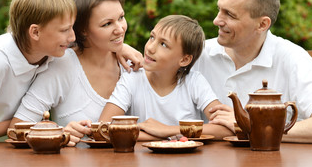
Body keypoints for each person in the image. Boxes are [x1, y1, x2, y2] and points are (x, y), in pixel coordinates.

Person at [193, 0, 312, 143]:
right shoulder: (196, 54)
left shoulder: (293, 58)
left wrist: (252, 126)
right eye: (219, 10)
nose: (216, 20)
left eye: (230, 15)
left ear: (262, 24)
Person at [10, 0, 143, 146]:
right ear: (82, 30)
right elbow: (17, 129)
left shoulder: (132, 63)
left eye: (121, 18)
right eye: (107, 24)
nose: (120, 29)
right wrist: (60, 134)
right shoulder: (63, 65)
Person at [0, 0, 77, 143]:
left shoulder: (53, 49)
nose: (72, 37)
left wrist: (123, 50)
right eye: (65, 30)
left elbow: (94, 43)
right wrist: (21, 125)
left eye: (72, 28)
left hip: (18, 148)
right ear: (35, 32)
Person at [99, 15, 233, 141]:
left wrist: (167, 130)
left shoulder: (194, 82)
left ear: (184, 59)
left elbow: (226, 129)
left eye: (163, 44)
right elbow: (103, 127)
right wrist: (166, 136)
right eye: (152, 37)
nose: (150, 48)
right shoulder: (132, 78)